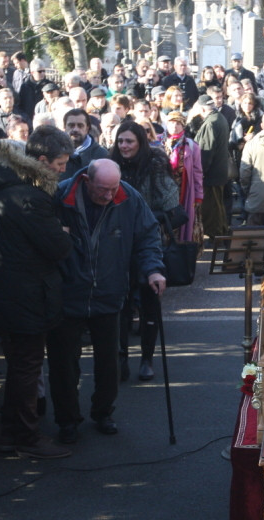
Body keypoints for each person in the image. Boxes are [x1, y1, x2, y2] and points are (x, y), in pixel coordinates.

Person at [49, 159, 166, 443]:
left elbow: (148, 236)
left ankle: (103, 412)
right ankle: (67, 420)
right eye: (102, 189)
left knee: (111, 360)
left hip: (110, 290)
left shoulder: (128, 196)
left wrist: (153, 269)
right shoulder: (60, 195)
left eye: (113, 188)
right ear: (87, 181)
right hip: (68, 291)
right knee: (64, 362)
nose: (108, 195)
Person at [0, 129, 75, 459]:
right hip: (26, 296)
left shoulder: (1, 185)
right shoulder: (30, 197)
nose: (64, 170)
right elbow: (59, 246)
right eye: (60, 164)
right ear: (42, 161)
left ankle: (12, 433)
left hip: (7, 292)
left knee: (20, 366)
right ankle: (27, 437)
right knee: (26, 369)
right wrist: (63, 232)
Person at [110, 120, 182, 381]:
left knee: (150, 303)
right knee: (121, 306)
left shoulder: (154, 163)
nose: (124, 146)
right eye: (120, 141)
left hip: (147, 242)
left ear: (140, 142)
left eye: (129, 141)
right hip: (117, 245)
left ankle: (147, 359)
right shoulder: (111, 164)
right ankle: (121, 358)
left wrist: (144, 215)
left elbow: (171, 202)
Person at [193, 95, 231, 241]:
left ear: (202, 108)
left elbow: (206, 151)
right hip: (218, 172)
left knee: (212, 208)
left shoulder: (211, 123)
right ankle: (221, 233)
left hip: (211, 174)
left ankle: (216, 235)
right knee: (218, 206)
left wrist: (200, 172)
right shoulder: (219, 118)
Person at [164, 111, 204, 246]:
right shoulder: (160, 143)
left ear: (183, 126)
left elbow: (198, 172)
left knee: (182, 223)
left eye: (178, 123)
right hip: (164, 192)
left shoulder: (192, 146)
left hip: (184, 191)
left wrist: (198, 195)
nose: (174, 126)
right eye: (171, 123)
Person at [62, 108, 108, 179]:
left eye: (80, 126)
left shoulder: (101, 155)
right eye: (71, 125)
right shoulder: (55, 153)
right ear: (64, 127)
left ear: (87, 128)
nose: (75, 129)